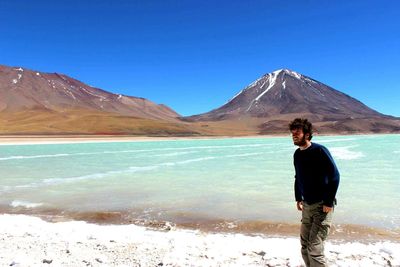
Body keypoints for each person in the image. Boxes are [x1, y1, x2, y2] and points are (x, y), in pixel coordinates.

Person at [289, 118, 340, 267]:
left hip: (322, 206)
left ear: (307, 134)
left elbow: (335, 176)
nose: (294, 136)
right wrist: (298, 197)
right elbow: (298, 177)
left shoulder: (319, 151)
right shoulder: (297, 155)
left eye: (297, 133)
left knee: (314, 247)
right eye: (292, 133)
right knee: (304, 245)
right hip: (307, 205)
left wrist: (329, 201)